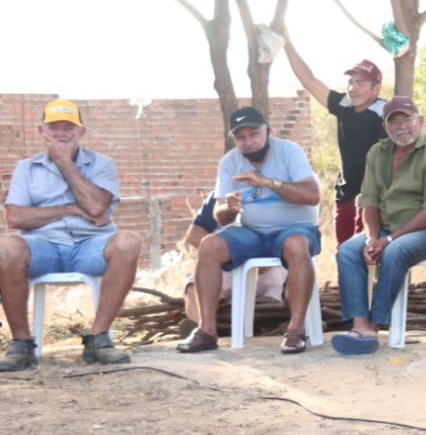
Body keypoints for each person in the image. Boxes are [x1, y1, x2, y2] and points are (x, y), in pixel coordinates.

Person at [0, 99, 144, 369]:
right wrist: (71, 208)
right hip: (42, 245)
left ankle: (98, 339)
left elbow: (97, 206)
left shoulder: (102, 164)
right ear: (42, 131)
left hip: (90, 245)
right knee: (6, 247)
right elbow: (16, 217)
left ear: (82, 132)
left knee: (128, 242)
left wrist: (66, 164)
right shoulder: (26, 168)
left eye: (69, 127)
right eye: (55, 127)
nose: (62, 133)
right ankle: (21, 344)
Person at [178, 106, 323, 355]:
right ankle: (207, 331)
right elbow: (220, 214)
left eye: (254, 134)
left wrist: (269, 183)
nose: (248, 142)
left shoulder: (289, 152)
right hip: (252, 232)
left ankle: (296, 331)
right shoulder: (229, 162)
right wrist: (229, 208)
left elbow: (311, 196)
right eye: (241, 137)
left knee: (297, 245)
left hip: (293, 229)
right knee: (210, 245)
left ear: (268, 131)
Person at [330, 96, 426, 354]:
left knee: (395, 250)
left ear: (420, 122)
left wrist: (388, 240)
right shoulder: (377, 154)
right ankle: (359, 323)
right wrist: (371, 238)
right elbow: (369, 203)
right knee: (347, 250)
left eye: (407, 119)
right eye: (394, 121)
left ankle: (375, 325)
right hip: (388, 231)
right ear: (385, 126)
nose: (402, 126)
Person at [282, 40, 388, 245]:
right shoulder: (344, 105)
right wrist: (286, 43)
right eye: (351, 82)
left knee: (370, 253)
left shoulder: (385, 112)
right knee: (344, 253)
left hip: (375, 200)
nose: (353, 88)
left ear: (376, 89)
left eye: (360, 83)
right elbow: (309, 80)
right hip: (346, 194)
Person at [180, 192, 287, 329]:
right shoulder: (220, 195)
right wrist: (227, 255)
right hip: (228, 269)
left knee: (281, 276)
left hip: (268, 268)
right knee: (193, 283)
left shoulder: (280, 192)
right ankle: (199, 331)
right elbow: (194, 236)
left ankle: (274, 327)